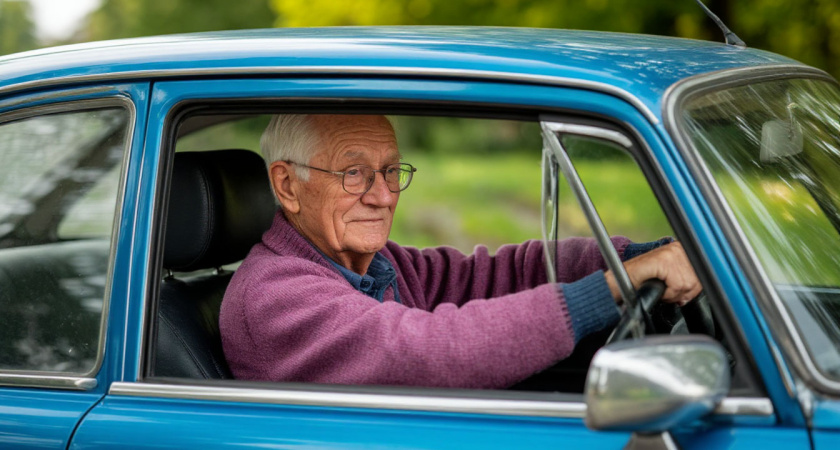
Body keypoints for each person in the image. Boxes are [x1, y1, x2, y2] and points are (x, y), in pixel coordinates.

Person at [219, 114, 701, 389]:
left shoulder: (378, 264)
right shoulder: (273, 295)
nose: (384, 196)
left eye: (390, 171)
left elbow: (498, 274)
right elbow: (429, 349)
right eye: (353, 173)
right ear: (287, 184)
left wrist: (638, 255)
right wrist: (618, 285)